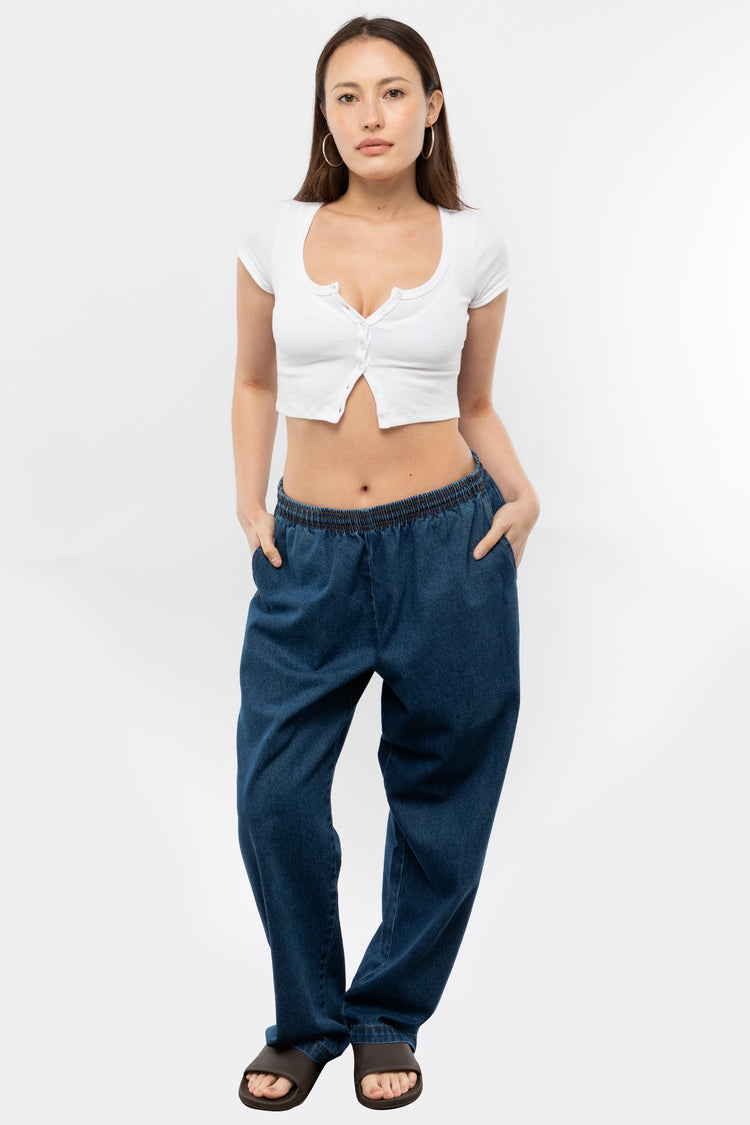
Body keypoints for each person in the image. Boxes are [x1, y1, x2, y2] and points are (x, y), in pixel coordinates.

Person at [232, 14, 540, 1112]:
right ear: (325, 116)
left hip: (447, 544)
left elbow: (476, 402)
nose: (372, 115)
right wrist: (249, 500)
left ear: (431, 108)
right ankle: (307, 1020)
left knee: (443, 796)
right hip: (307, 551)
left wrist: (523, 495)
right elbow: (254, 382)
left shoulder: (474, 243)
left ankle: (386, 1014)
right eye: (348, 95)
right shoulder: (277, 234)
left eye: (394, 91)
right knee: (274, 796)